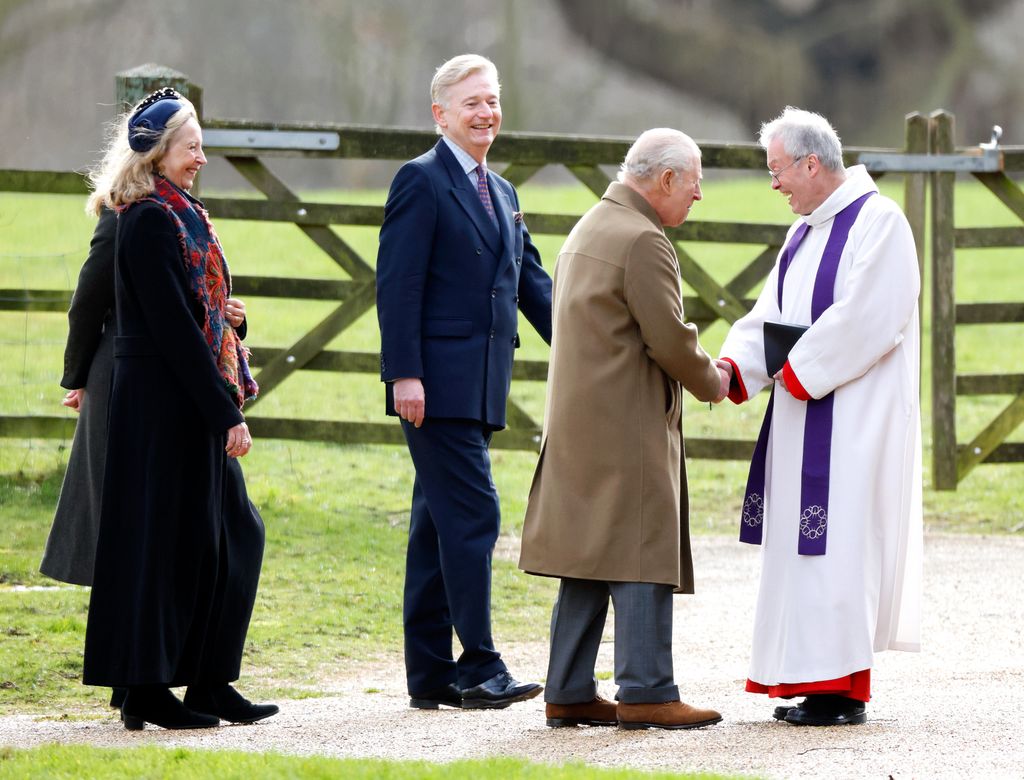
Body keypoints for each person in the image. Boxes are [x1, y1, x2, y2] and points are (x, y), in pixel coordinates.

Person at [717, 106, 922, 727]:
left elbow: (869, 318)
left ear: (812, 163)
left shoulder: (879, 223)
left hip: (852, 418)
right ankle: (811, 680)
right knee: (803, 547)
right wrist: (732, 366)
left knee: (842, 545)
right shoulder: (803, 231)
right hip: (802, 414)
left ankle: (841, 689)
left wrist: (800, 370)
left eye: (778, 169)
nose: (773, 183)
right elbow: (768, 313)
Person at [519, 128, 729, 731]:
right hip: (626, 423)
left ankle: (568, 689)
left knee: (585, 556)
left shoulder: (590, 226)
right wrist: (713, 381)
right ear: (665, 180)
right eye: (694, 184)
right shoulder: (643, 239)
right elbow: (668, 339)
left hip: (578, 422)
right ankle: (646, 690)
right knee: (640, 550)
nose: (698, 197)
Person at [80, 87, 277, 730]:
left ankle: (208, 682)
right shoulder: (143, 219)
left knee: (229, 535)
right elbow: (167, 329)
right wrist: (226, 412)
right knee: (162, 545)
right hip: (160, 406)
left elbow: (196, 312)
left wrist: (229, 323)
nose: (201, 156)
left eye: (200, 144)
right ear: (160, 154)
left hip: (186, 394)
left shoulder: (183, 211)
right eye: (192, 146)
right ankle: (146, 690)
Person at [376, 54, 552, 710]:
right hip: (434, 386)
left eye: (493, 100)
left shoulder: (502, 193)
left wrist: (593, 348)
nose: (486, 112)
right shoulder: (420, 181)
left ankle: (430, 676)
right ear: (440, 113)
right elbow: (398, 285)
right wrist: (404, 375)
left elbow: (531, 284)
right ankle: (479, 665)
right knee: (475, 513)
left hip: (482, 386)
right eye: (472, 102)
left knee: (436, 525)